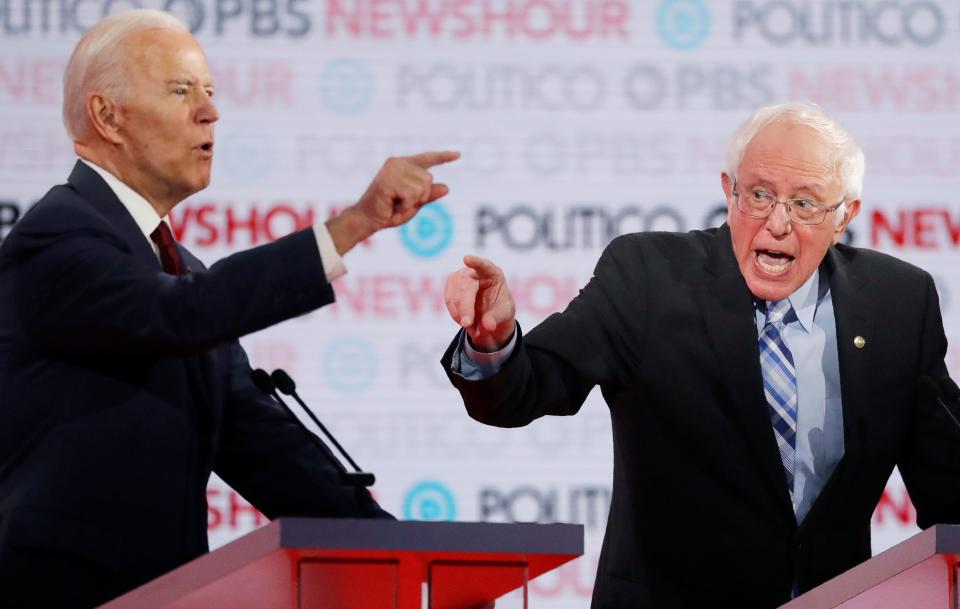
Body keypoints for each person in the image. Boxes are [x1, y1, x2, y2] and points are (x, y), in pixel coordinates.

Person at [0, 9, 458, 609]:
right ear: (107, 116)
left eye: (211, 92)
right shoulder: (54, 238)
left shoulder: (181, 270)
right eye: (181, 91)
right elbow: (177, 317)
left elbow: (266, 447)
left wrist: (410, 562)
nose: (210, 111)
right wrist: (350, 227)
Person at [441, 102, 960, 608]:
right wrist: (494, 341)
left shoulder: (898, 302)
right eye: (759, 194)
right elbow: (530, 386)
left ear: (844, 216)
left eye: (805, 204)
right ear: (728, 192)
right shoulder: (648, 276)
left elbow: (949, 483)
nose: (777, 223)